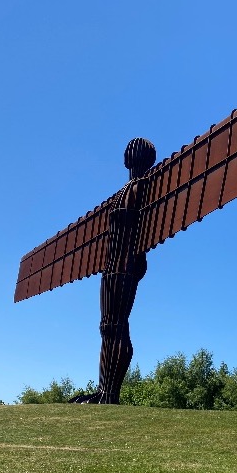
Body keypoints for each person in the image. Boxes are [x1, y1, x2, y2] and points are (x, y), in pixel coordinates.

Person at [70, 138, 156, 404]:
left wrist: (135, 260)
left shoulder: (144, 186)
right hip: (112, 266)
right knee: (108, 327)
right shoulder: (123, 192)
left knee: (115, 325)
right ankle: (103, 390)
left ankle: (109, 393)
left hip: (125, 265)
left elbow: (142, 228)